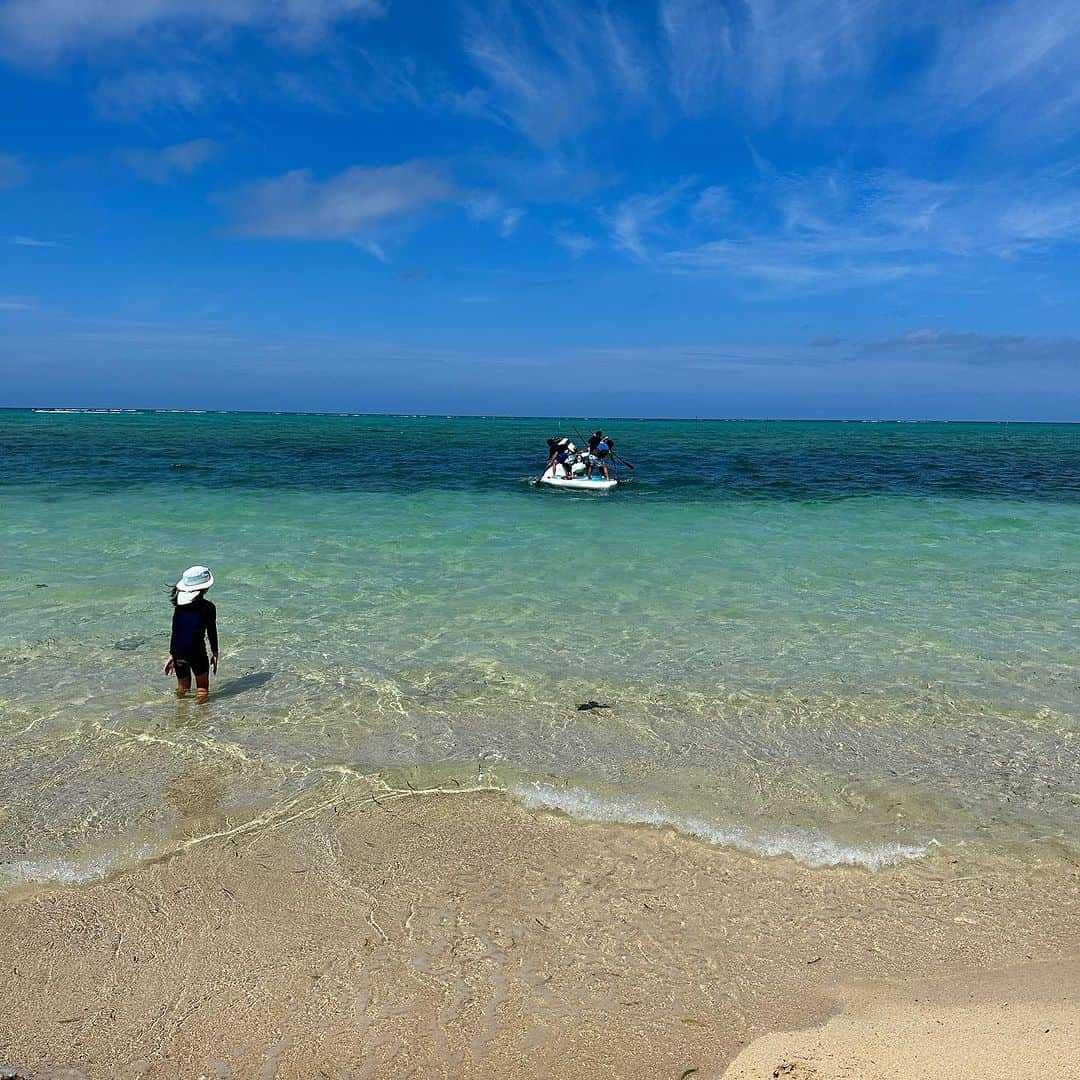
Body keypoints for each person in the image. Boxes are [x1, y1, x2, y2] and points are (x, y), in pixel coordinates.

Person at [164, 565, 219, 701]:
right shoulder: (208, 608)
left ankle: (181, 715)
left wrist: (173, 654)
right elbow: (212, 632)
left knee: (183, 689)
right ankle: (201, 719)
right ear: (205, 587)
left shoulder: (179, 606)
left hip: (179, 652)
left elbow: (176, 631)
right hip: (196, 652)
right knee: (202, 688)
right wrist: (215, 652)